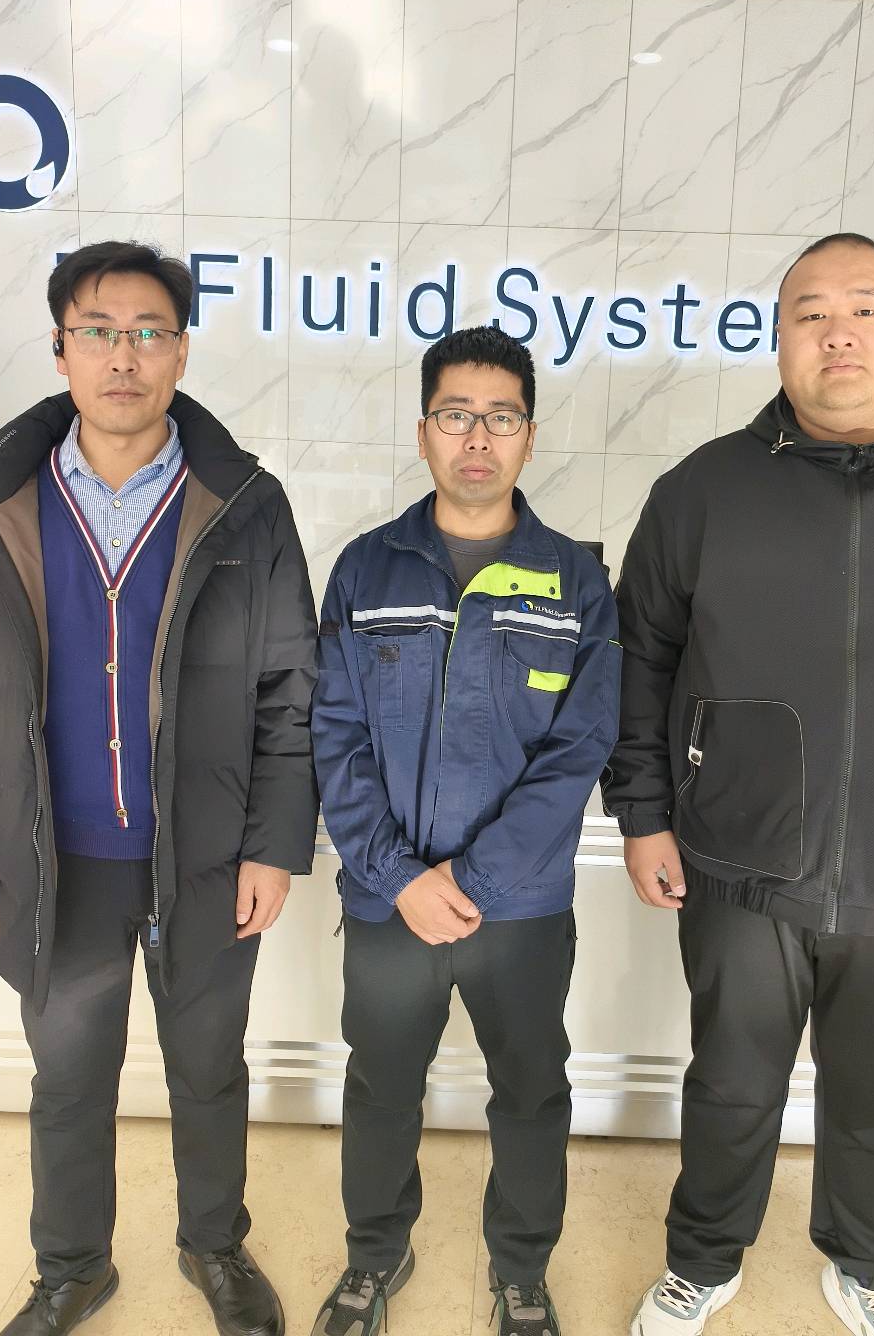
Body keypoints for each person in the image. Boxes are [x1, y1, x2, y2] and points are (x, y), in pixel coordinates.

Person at [603, 232, 874, 1336]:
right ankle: (702, 1261)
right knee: (730, 1085)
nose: (837, 333)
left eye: (864, 309)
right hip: (739, 859)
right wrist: (643, 816)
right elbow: (639, 662)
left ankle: (869, 1264)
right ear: (779, 339)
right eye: (809, 313)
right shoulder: (702, 491)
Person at [0, 241, 319, 1336]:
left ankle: (214, 1246)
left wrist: (275, 843)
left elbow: (292, 686)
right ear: (61, 348)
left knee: (208, 1069)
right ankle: (72, 1266)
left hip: (205, 854)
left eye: (148, 333)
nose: (123, 356)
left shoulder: (245, 506)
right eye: (99, 332)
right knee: (68, 1079)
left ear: (181, 351)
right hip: (49, 859)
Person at [311, 325, 620, 1336]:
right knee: (380, 1086)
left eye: (500, 417)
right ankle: (374, 1256)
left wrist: (473, 880)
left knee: (529, 1090)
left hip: (519, 908)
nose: (477, 437)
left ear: (530, 436)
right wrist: (401, 876)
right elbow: (334, 735)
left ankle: (520, 1271)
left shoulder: (575, 582)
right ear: (423, 432)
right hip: (388, 901)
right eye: (456, 415)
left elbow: (579, 748)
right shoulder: (367, 570)